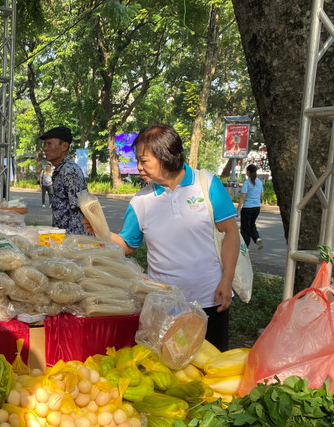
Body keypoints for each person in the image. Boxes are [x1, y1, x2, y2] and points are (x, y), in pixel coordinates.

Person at [86, 123, 240, 350]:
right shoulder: (141, 201)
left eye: (143, 160)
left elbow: (230, 233)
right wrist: (99, 230)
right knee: (167, 372)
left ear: (165, 156)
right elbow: (127, 246)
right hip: (164, 306)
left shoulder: (206, 184)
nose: (138, 167)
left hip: (210, 300)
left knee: (211, 370)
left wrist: (226, 281)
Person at [41, 126, 87, 234]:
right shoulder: (61, 170)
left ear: (64, 146)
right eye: (45, 144)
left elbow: (82, 207)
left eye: (49, 144)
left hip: (74, 238)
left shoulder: (69, 171)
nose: (45, 148)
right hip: (64, 236)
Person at [237, 163, 264, 250]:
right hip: (257, 207)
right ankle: (257, 238)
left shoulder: (247, 183)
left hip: (247, 208)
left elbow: (242, 196)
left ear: (248, 172)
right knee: (252, 225)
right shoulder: (259, 182)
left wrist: (238, 209)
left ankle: (245, 246)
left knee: (245, 228)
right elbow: (261, 195)